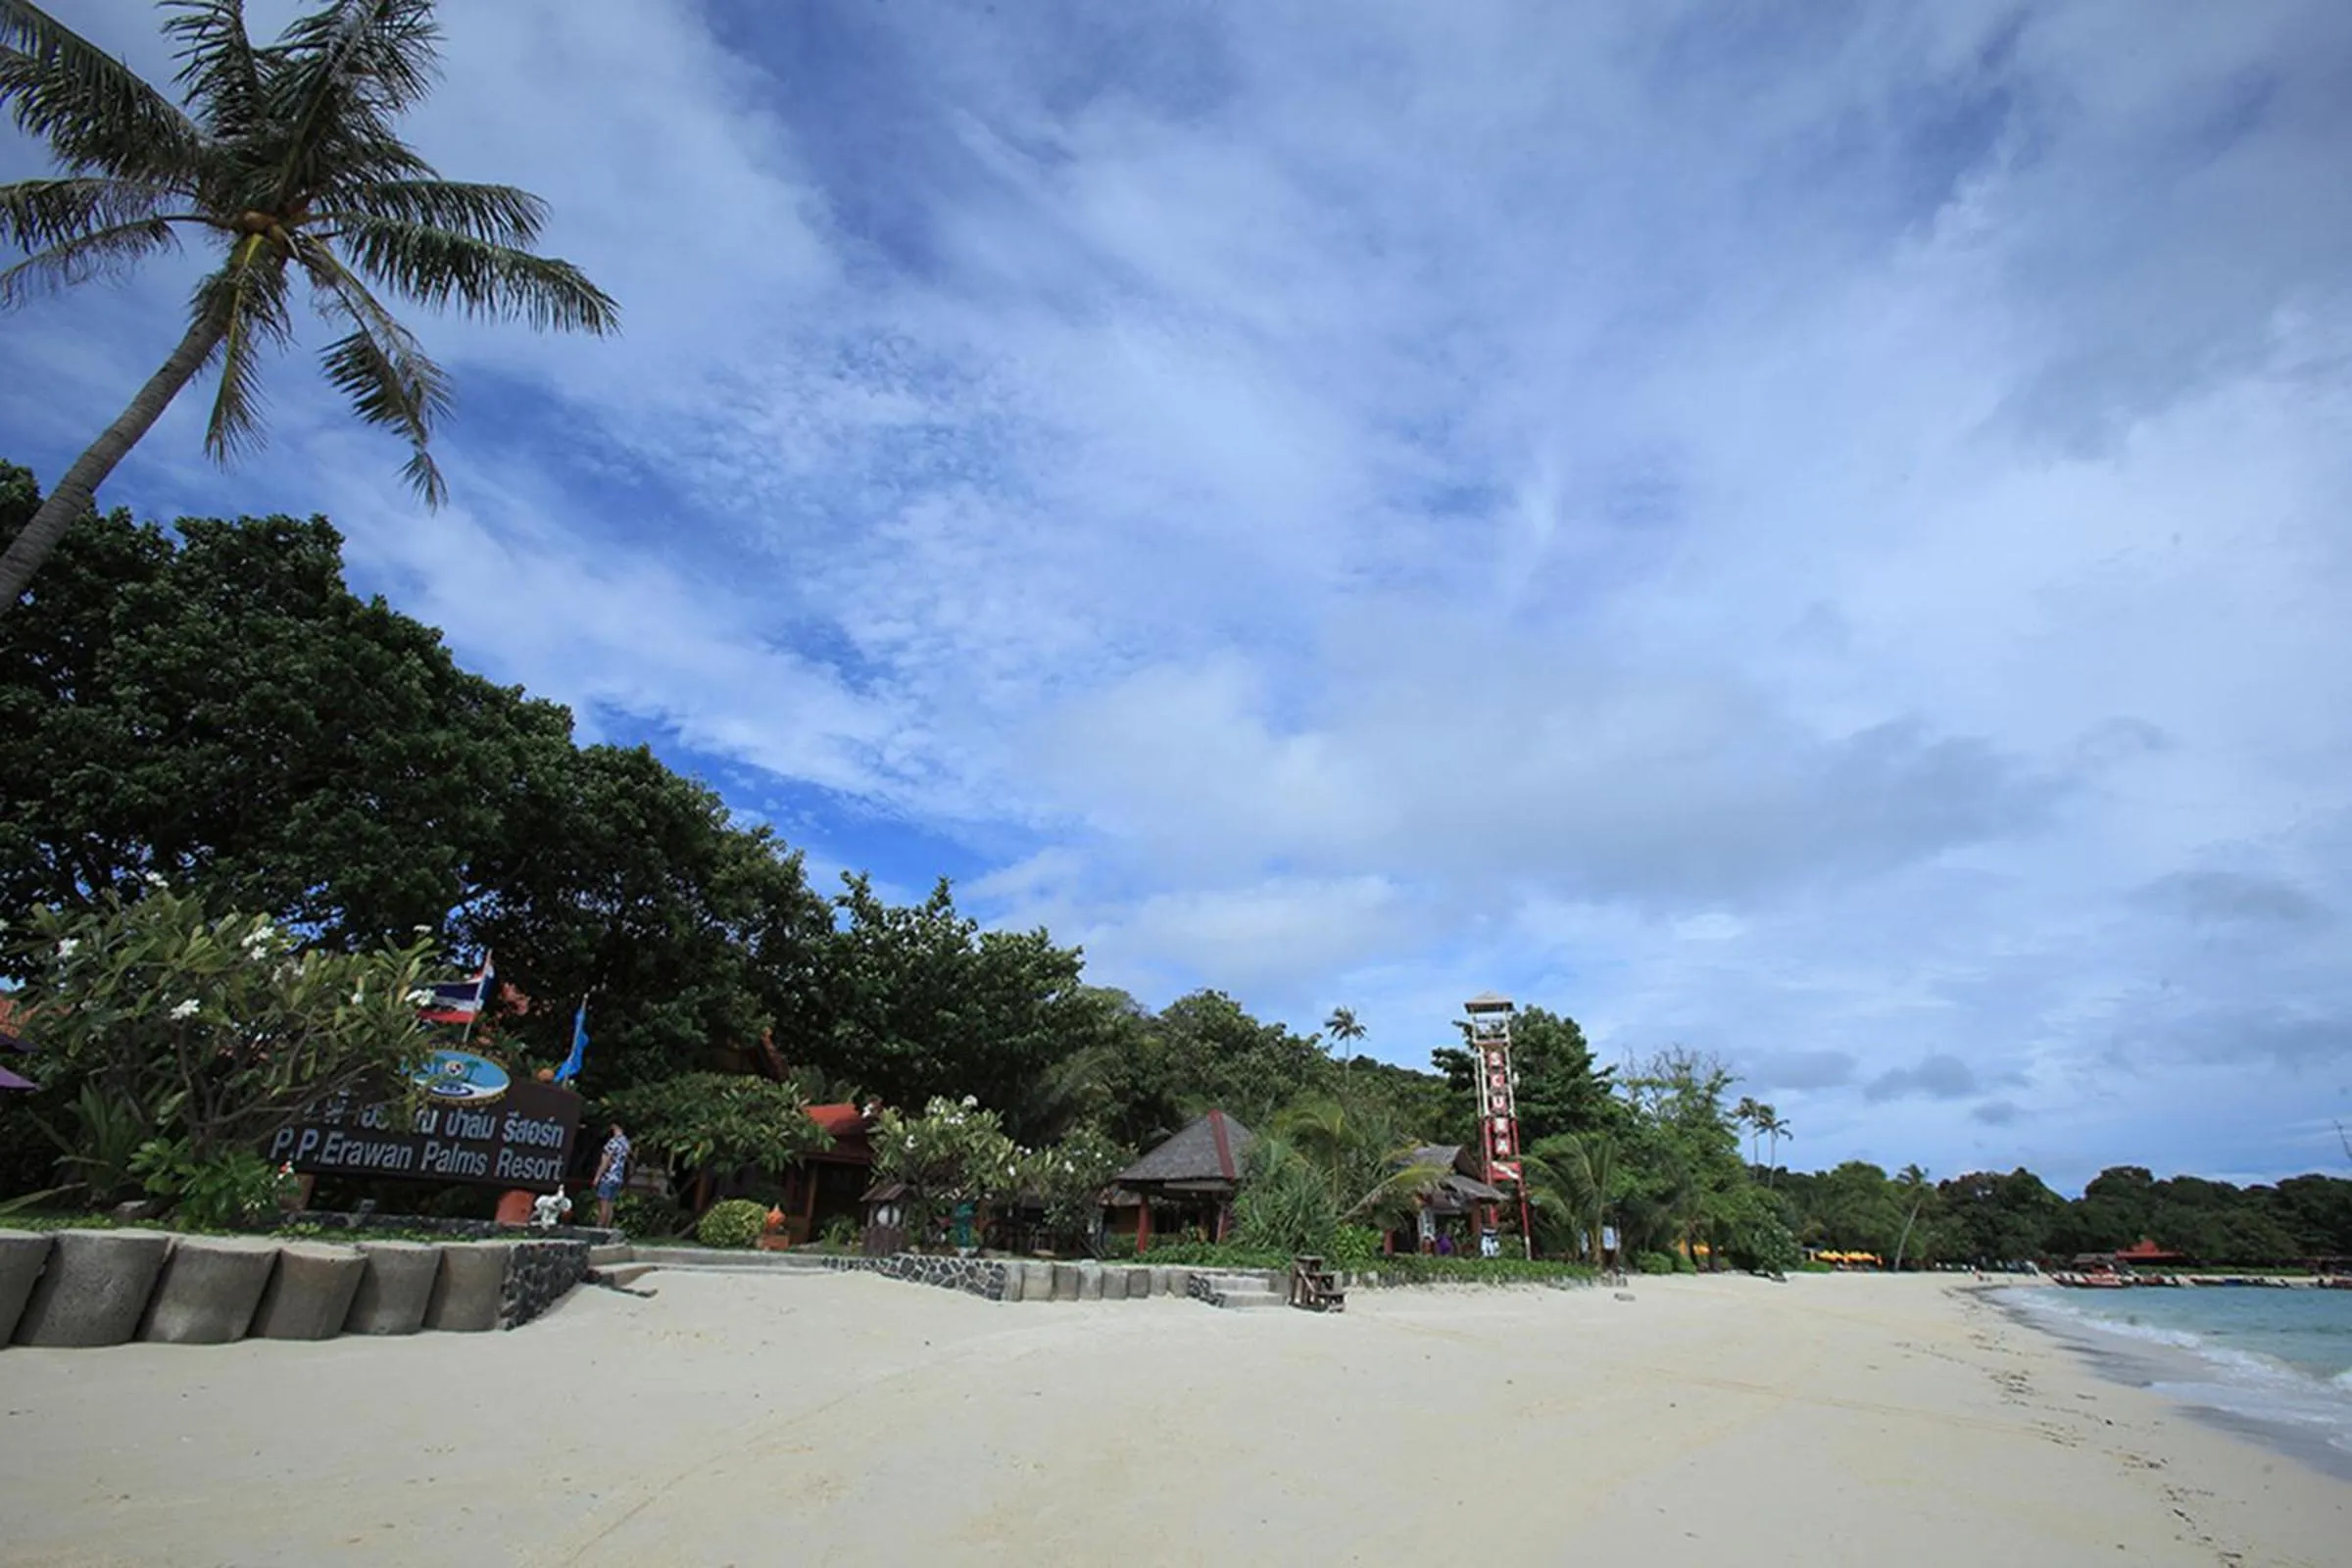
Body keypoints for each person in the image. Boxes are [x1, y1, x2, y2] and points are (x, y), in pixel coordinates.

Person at [593, 1121, 630, 1228]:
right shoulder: (626, 1143)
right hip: (618, 1177)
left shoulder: (612, 1143)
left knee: (603, 1204)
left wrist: (597, 1177)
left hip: (608, 1177)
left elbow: (605, 1162)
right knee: (610, 1205)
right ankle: (607, 1230)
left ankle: (599, 1228)